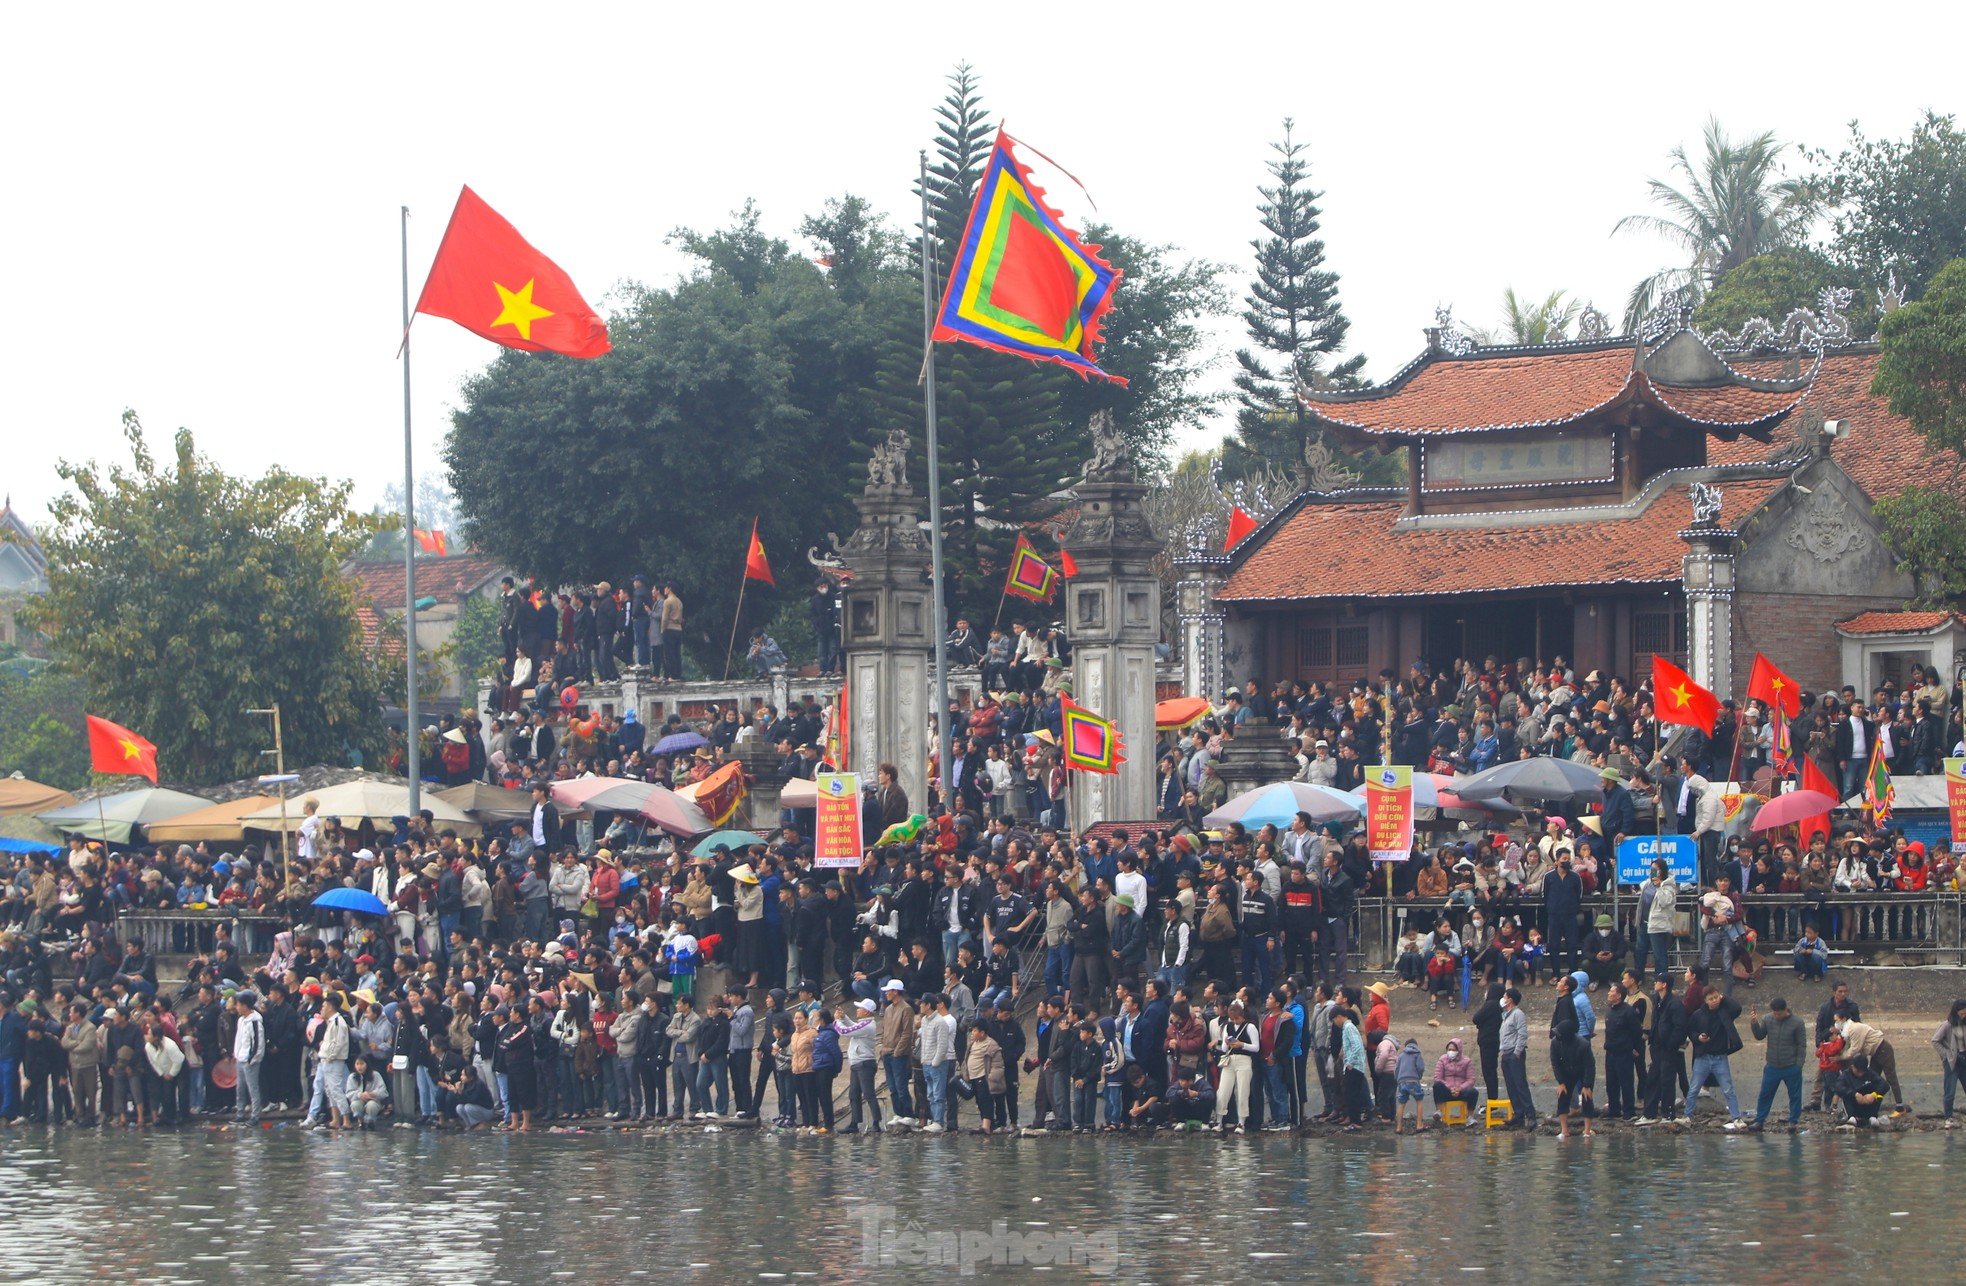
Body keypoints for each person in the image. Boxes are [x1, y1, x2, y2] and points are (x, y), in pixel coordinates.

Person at [1684, 986, 1746, 1129]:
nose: (1714, 1001)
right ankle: (1687, 1116)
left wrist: (1725, 997)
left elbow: (1737, 1008)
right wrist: (1698, 1038)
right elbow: (1691, 1031)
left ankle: (1736, 1118)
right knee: (1694, 1088)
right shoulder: (1698, 1015)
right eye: (1711, 999)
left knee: (1728, 1089)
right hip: (1703, 1057)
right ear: (1705, 1000)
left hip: (1720, 1057)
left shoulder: (1725, 1012)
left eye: (1716, 997)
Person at [1749, 996, 1807, 1131]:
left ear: (1785, 1010)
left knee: (1795, 1095)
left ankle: (1793, 1121)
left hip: (1791, 1066)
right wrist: (1754, 1022)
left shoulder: (1797, 1022)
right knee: (1765, 1094)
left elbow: (1802, 1045)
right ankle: (1760, 1120)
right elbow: (1759, 1035)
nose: (1776, 1016)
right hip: (1772, 1065)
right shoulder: (1768, 1019)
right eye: (1774, 1013)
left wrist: (1799, 1065)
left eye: (1779, 1013)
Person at [1497, 987, 1535, 1130]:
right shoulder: (1506, 1015)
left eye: (1505, 996)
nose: (1503, 998)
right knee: (1511, 1086)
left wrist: (1517, 1053)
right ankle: (1518, 1115)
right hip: (1506, 1053)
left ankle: (1530, 1116)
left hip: (1514, 1054)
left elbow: (1522, 1034)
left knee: (1520, 1085)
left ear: (1510, 1000)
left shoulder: (1518, 1014)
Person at [1931, 999, 1966, 1125]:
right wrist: (1946, 1055)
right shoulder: (1947, 1025)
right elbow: (1935, 1040)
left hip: (1964, 1060)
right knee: (1950, 1090)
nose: (1964, 1016)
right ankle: (1948, 1117)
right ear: (1956, 1012)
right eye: (1962, 1013)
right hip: (1952, 1062)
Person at [1393, 1036, 1427, 1135]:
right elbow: (1420, 1067)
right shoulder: (1417, 1054)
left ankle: (1399, 1127)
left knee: (1401, 1103)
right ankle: (1419, 1124)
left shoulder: (1401, 1055)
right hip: (1413, 1080)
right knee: (1419, 1100)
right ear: (1416, 1045)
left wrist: (1397, 1079)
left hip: (1402, 1081)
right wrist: (1419, 1077)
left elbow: (1396, 1069)